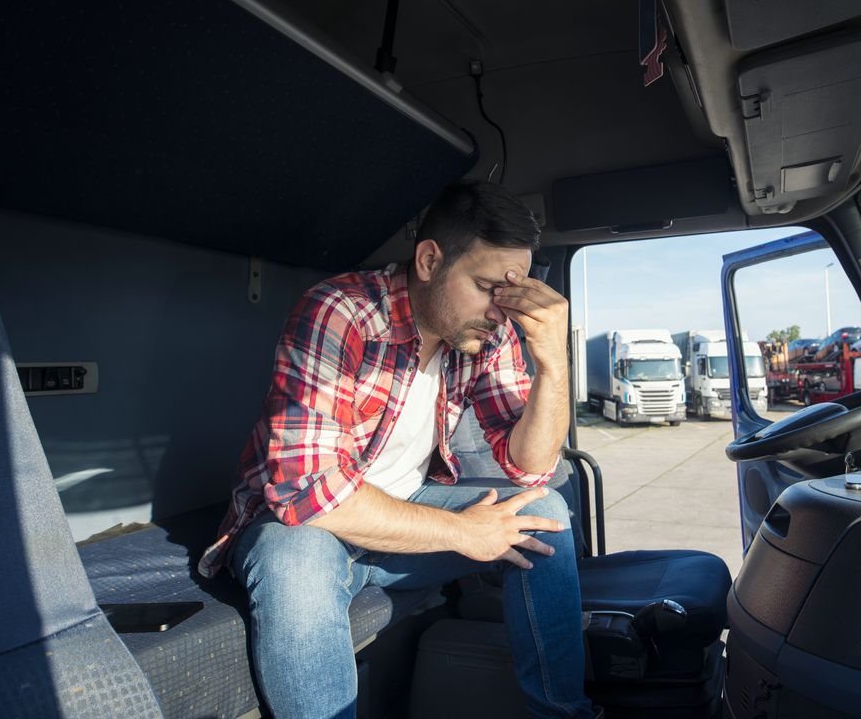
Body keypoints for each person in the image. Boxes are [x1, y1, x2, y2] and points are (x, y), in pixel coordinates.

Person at [198, 182, 598, 718]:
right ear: (429, 260)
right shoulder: (341, 312)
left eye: (511, 294)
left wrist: (553, 361)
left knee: (544, 512)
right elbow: (307, 494)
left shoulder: (487, 332)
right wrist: (462, 532)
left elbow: (531, 468)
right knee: (295, 557)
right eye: (486, 287)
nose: (500, 312)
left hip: (404, 513)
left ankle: (566, 713)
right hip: (309, 526)